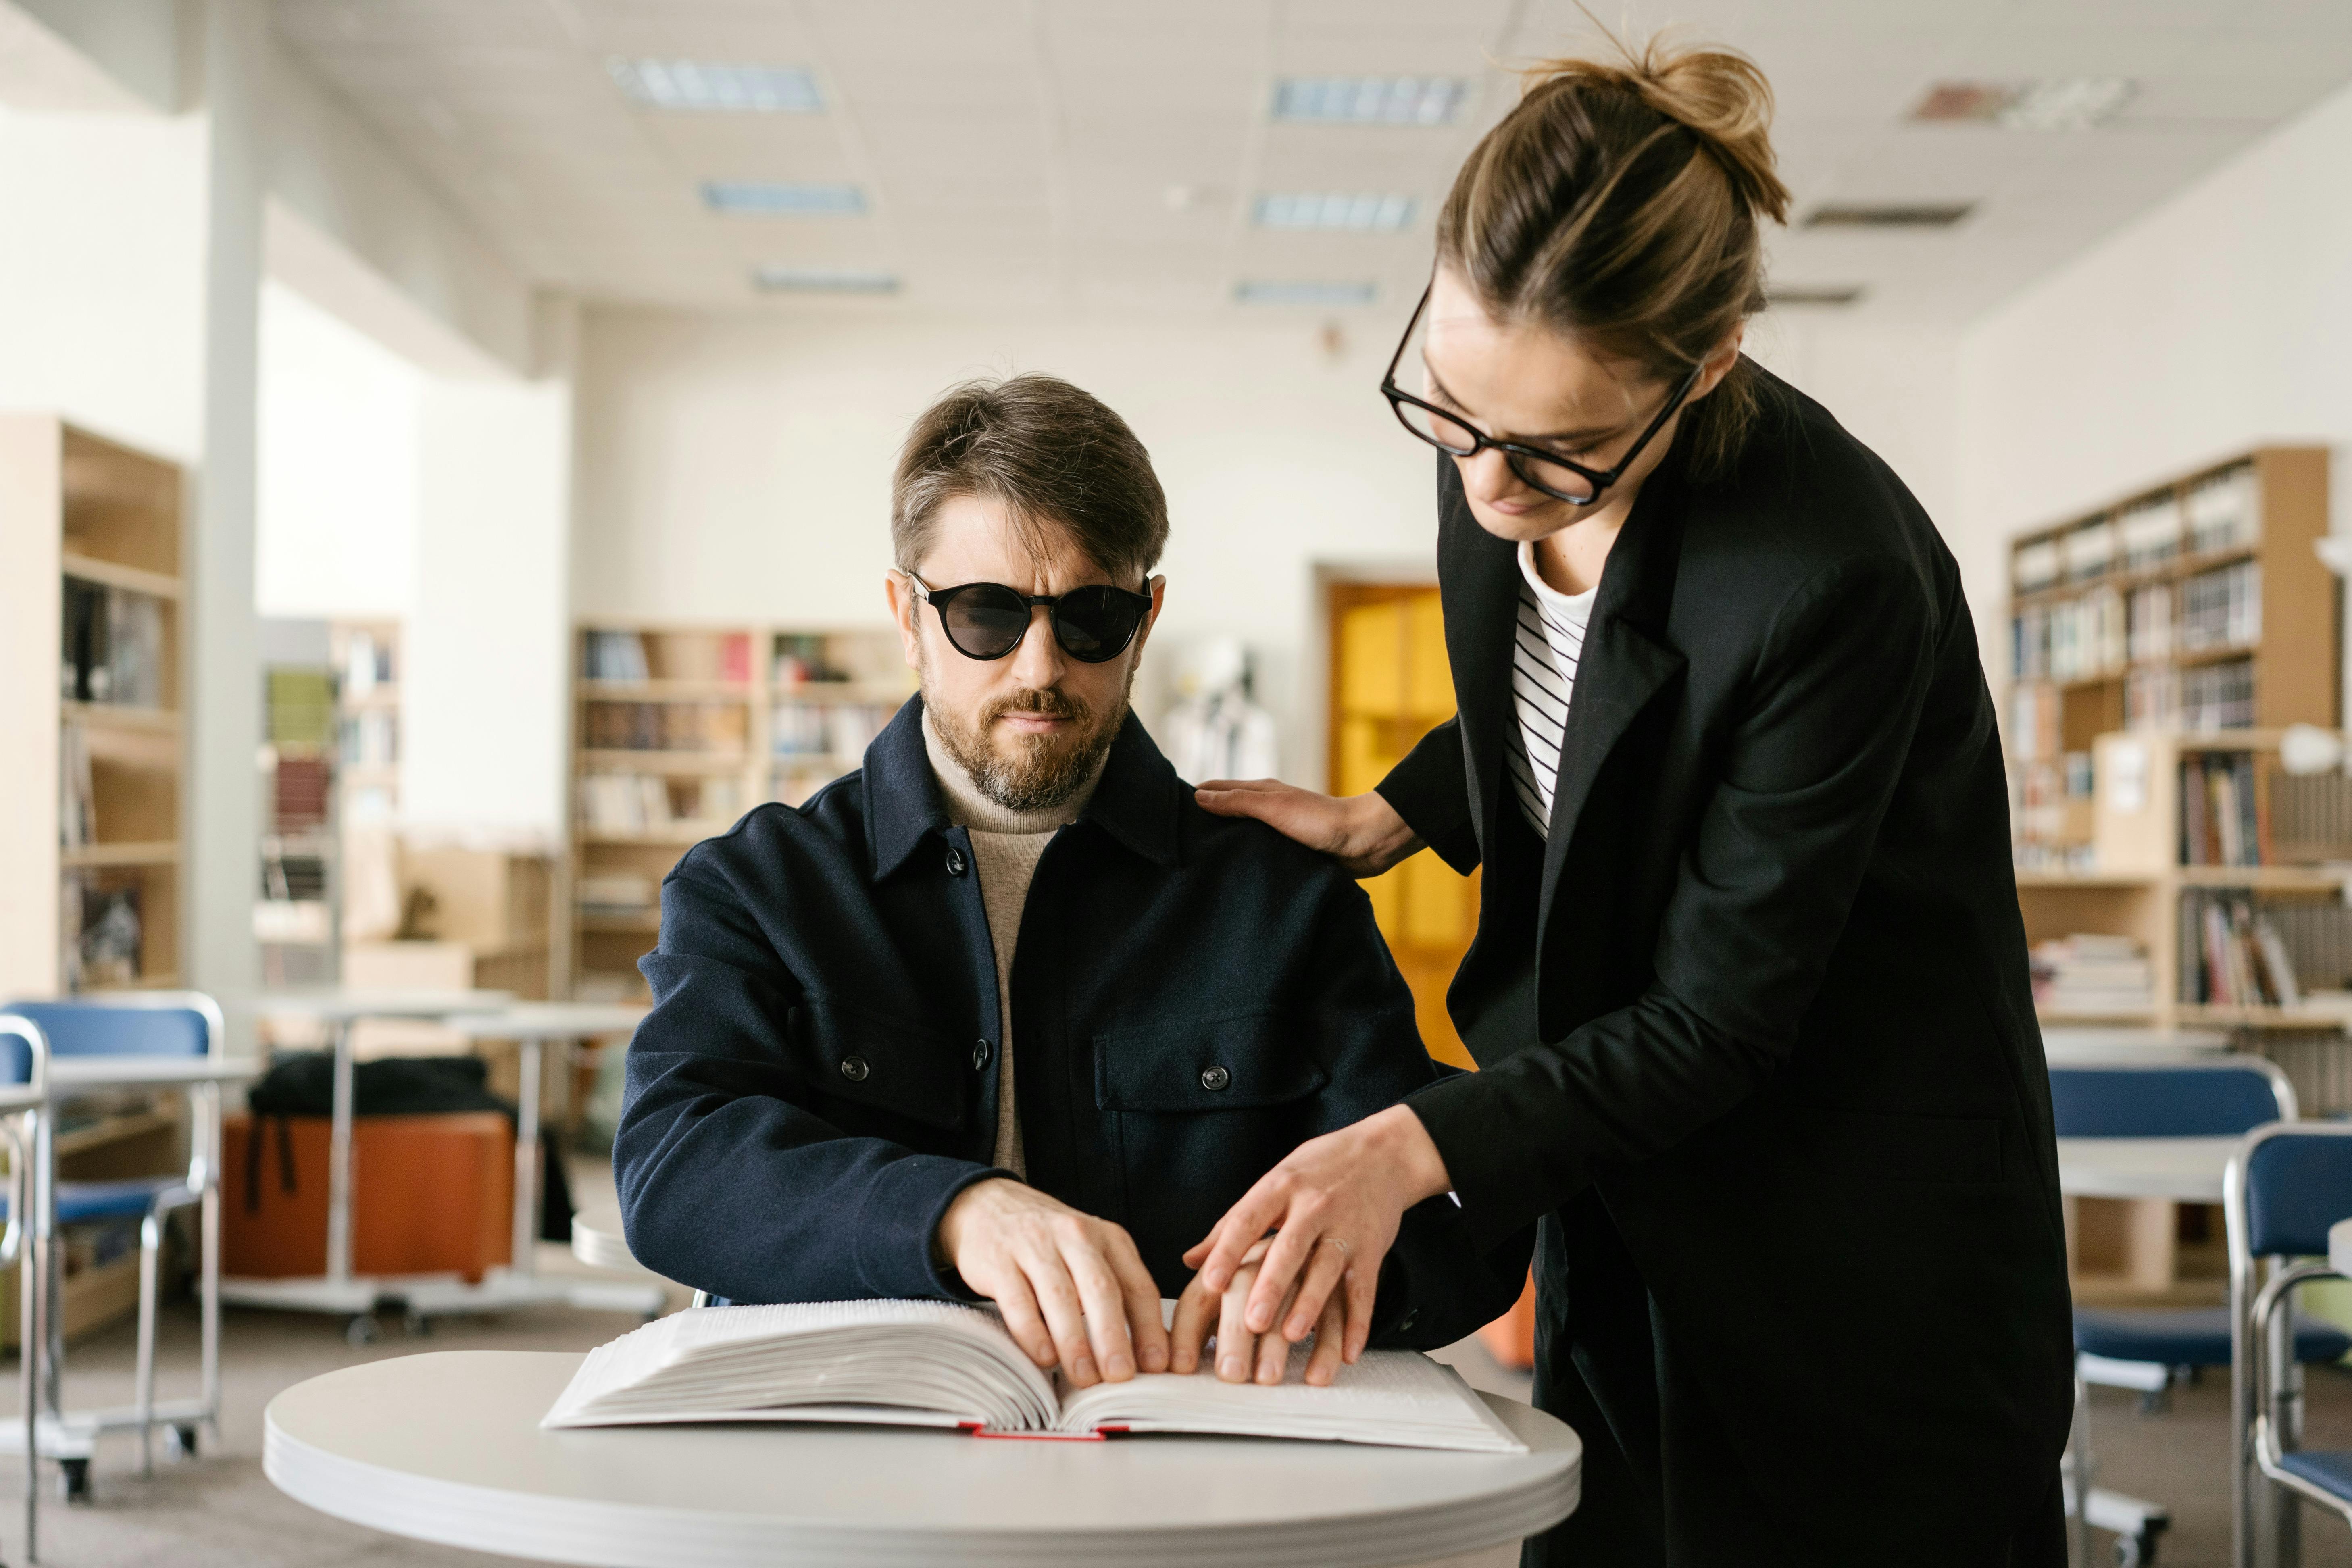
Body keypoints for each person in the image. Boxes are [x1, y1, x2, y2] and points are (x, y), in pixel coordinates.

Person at [1185, 35, 2074, 1568]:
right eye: (1451, 410)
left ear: (1708, 364)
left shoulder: (1827, 575)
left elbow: (1720, 1018)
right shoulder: (1501, 429)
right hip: (1626, 1173)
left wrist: (1405, 1148)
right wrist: (1393, 816)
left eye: (1558, 451)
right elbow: (1567, 699)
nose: (1484, 483)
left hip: (1850, 1225)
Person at [615, 373, 1527, 1393]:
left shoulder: (1280, 897)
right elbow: (677, 1165)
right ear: (904, 614)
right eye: (985, 614)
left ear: (1147, 616)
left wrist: (1325, 1274)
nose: (1040, 666)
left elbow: (1447, 1226)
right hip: (855, 1466)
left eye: (1091, 616)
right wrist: (953, 1212)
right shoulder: (757, 885)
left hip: (1194, 1466)